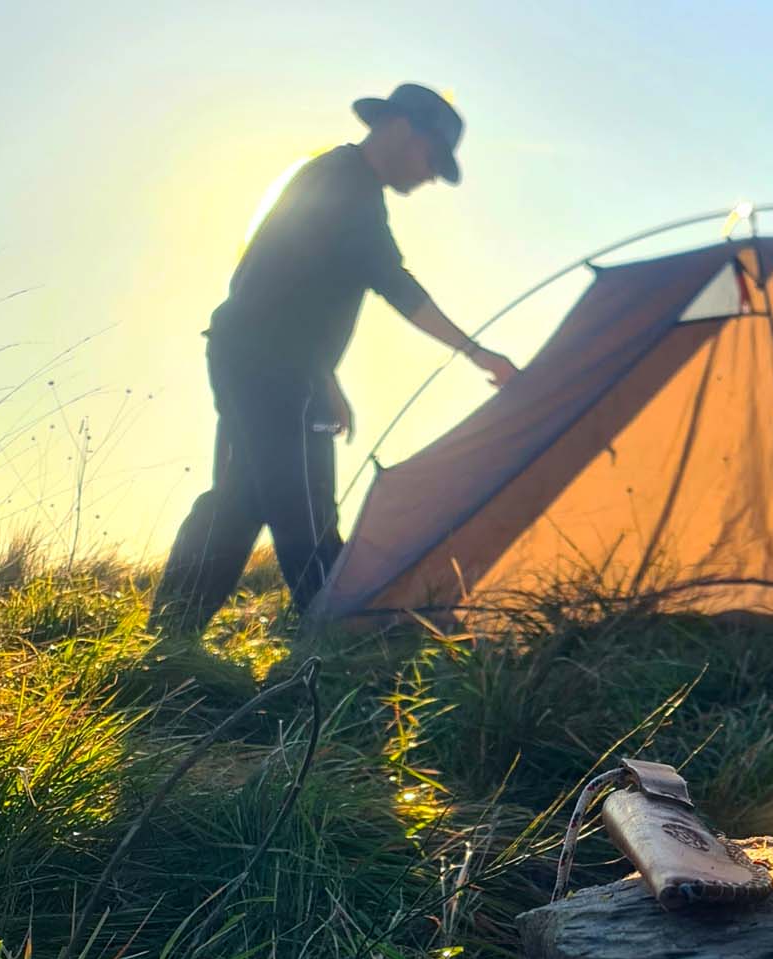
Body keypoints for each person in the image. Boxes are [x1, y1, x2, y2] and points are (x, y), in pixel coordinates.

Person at [151, 83, 517, 635]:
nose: (432, 176)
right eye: (432, 158)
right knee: (306, 505)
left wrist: (321, 376)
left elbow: (280, 287)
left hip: (252, 357)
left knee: (241, 497)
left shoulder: (333, 178)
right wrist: (479, 353)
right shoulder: (348, 188)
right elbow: (395, 284)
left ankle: (171, 632)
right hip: (273, 368)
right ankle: (339, 636)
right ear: (400, 128)